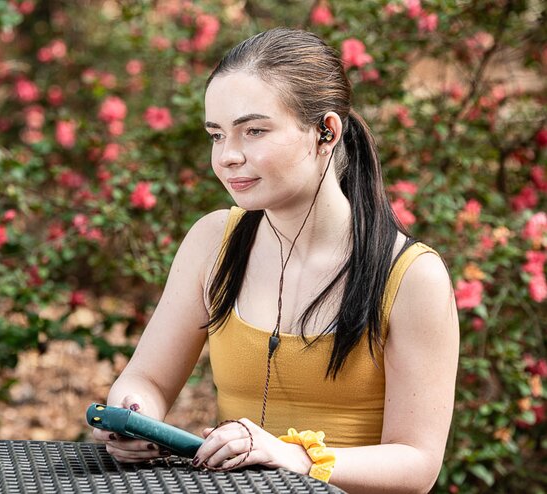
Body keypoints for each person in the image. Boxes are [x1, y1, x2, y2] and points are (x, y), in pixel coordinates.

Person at [91, 27, 459, 493]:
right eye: (217, 135)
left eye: (254, 131)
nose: (227, 156)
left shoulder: (411, 277)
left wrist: (292, 456)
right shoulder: (213, 241)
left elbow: (417, 465)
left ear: (326, 132)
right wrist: (133, 416)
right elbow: (147, 379)